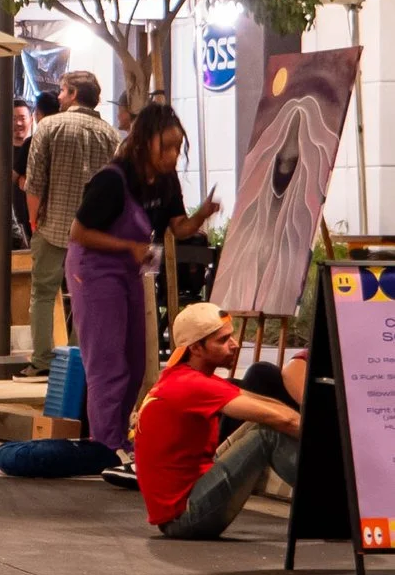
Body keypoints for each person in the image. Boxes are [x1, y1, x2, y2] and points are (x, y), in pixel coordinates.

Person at [70, 101, 215, 478]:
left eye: (177, 147)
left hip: (132, 269)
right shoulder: (113, 179)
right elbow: (79, 233)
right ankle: (105, 446)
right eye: (165, 146)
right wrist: (128, 248)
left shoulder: (166, 181)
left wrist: (202, 216)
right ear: (143, 142)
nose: (172, 155)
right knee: (108, 362)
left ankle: (119, 438)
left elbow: (177, 227)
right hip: (95, 269)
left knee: (136, 361)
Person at [134, 302, 304, 539]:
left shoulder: (183, 376)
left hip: (188, 503)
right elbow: (283, 420)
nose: (234, 345)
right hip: (187, 517)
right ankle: (338, 506)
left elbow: (268, 406)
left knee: (262, 423)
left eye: (231, 336)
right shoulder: (192, 386)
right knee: (269, 432)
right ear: (196, 348)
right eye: (222, 341)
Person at [22, 72, 121, 376]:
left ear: (74, 93)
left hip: (52, 225)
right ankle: (79, 362)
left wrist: (33, 221)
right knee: (86, 296)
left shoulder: (49, 126)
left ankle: (42, 360)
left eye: (63, 91)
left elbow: (35, 183)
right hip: (94, 233)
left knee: (42, 293)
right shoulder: (110, 134)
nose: (60, 97)